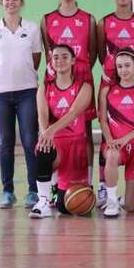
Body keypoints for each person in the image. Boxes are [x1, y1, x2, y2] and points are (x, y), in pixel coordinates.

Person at [40, 0, 98, 203]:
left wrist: (77, 72)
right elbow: (48, 52)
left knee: (83, 132)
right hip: (56, 77)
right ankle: (54, 186)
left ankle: (88, 182)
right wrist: (60, 71)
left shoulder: (88, 19)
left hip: (81, 77)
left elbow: (92, 52)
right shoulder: (47, 19)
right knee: (54, 130)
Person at [0, 0, 42, 209]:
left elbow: (35, 59)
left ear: (22, 2)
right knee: (4, 143)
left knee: (30, 142)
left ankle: (33, 191)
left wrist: (22, 76)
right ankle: (7, 191)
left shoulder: (32, 28)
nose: (11, 2)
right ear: (1, 3)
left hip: (27, 92)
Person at [97, 0, 134, 208]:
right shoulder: (104, 23)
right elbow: (101, 54)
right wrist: (116, 72)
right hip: (112, 80)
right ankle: (103, 185)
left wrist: (133, 72)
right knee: (108, 127)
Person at [30, 45, 92, 218]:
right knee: (43, 148)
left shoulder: (84, 87)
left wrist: (50, 130)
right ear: (51, 61)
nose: (60, 60)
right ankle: (43, 201)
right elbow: (42, 114)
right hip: (55, 143)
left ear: (73, 61)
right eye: (56, 57)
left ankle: (55, 189)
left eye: (65, 57)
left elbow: (73, 113)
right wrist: (45, 133)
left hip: (75, 144)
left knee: (67, 207)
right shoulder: (45, 87)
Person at [98, 48, 134, 218]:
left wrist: (125, 138)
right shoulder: (107, 91)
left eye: (127, 65)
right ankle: (112, 201)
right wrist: (110, 140)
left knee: (131, 206)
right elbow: (103, 120)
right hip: (115, 146)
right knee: (112, 155)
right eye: (120, 66)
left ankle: (125, 199)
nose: (123, 70)